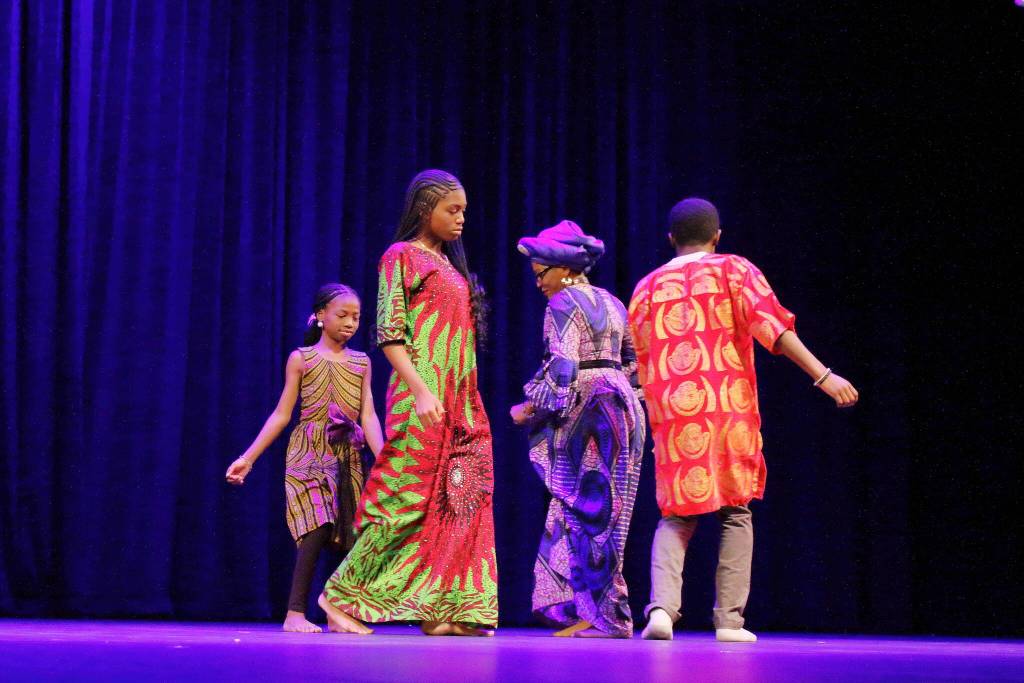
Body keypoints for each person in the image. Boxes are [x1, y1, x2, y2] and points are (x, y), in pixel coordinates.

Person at [627, 198, 859, 642]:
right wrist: (824, 376)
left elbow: (639, 358)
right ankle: (729, 621)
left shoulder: (647, 287)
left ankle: (661, 609)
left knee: (676, 514)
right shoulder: (735, 270)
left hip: (675, 410)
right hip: (727, 405)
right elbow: (774, 328)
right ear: (717, 236)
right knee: (736, 510)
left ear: (671, 239)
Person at [319, 170, 497, 637]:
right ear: (425, 210)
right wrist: (420, 389)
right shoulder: (400, 257)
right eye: (451, 210)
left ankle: (444, 608)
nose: (460, 220)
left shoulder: (451, 267)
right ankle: (338, 597)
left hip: (461, 401)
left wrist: (468, 399)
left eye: (463, 211)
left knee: (462, 500)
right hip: (421, 397)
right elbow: (389, 333)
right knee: (404, 498)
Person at [511, 220, 647, 639]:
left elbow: (565, 366)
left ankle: (607, 617)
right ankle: (584, 608)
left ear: (562, 267)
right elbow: (635, 365)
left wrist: (530, 408)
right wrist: (622, 395)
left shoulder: (562, 304)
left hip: (589, 413)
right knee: (601, 510)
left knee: (590, 508)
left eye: (541, 273)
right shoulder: (612, 302)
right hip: (624, 409)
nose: (538, 283)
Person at [225, 283, 384, 632]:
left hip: (347, 455)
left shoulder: (361, 362)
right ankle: (295, 612)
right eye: (342, 315)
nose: (350, 323)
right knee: (317, 522)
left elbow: (368, 415)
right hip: (309, 451)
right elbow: (282, 414)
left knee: (348, 533)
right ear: (321, 315)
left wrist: (384, 459)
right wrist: (248, 458)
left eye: (356, 317)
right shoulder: (303, 358)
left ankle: (337, 612)